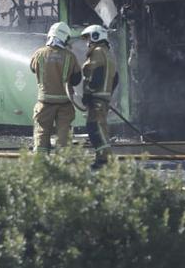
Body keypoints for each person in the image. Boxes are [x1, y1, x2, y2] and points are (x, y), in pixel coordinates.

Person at [29, 22, 83, 153]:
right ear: (65, 38)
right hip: (64, 103)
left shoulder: (39, 54)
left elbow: (32, 69)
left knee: (42, 132)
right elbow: (76, 80)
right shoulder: (70, 56)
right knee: (64, 135)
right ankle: (63, 165)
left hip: (44, 103)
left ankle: (41, 163)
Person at [80, 25, 119, 169]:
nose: (87, 42)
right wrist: (107, 94)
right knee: (98, 127)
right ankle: (101, 158)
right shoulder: (108, 53)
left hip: (96, 98)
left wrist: (89, 93)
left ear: (96, 36)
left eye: (88, 38)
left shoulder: (97, 52)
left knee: (95, 128)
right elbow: (116, 78)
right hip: (102, 97)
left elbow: (96, 74)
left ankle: (104, 160)